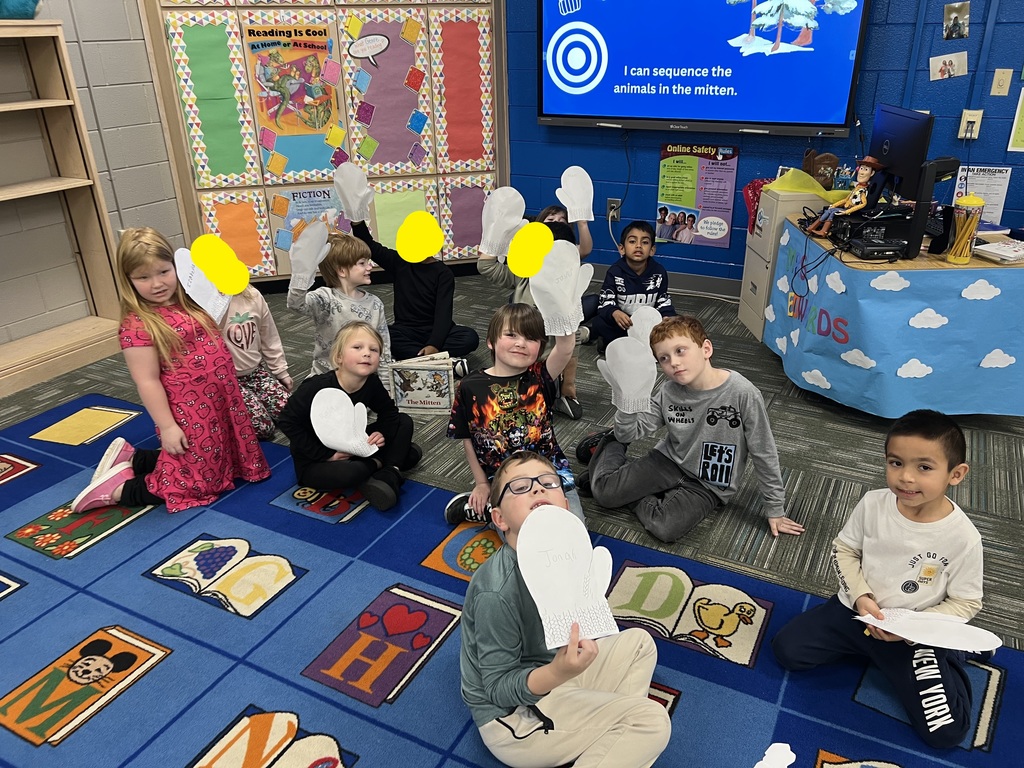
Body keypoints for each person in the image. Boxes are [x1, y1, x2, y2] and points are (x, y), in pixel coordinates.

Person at [772, 409, 981, 749]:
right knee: (787, 651)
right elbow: (844, 551)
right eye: (895, 463)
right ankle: (870, 651)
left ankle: (952, 655)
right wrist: (859, 597)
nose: (906, 478)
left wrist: (915, 628)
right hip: (856, 613)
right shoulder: (872, 504)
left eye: (924, 467)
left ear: (955, 474)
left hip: (912, 636)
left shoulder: (963, 538)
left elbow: (967, 601)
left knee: (946, 733)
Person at [459, 451, 672, 768]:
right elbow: (497, 691)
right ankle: (614, 737)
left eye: (549, 482)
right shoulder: (497, 591)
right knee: (652, 721)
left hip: (557, 675)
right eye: (519, 486)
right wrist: (558, 672)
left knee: (641, 643)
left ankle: (605, 739)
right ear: (500, 518)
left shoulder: (565, 555)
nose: (537, 489)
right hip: (514, 717)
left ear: (566, 503)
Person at [71, 228, 269, 514]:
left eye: (164, 272)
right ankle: (118, 490)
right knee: (199, 481)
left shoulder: (187, 301)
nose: (157, 284)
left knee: (215, 452)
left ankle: (137, 459)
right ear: (128, 281)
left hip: (219, 398)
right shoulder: (138, 325)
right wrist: (167, 427)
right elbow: (147, 381)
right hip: (189, 409)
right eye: (143, 277)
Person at [577, 315, 804, 542]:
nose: (673, 362)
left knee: (665, 528)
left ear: (706, 349)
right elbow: (631, 433)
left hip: (709, 485)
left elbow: (764, 451)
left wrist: (775, 509)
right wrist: (626, 405)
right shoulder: (668, 391)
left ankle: (629, 485)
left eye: (680, 351)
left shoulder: (743, 393)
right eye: (664, 358)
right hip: (668, 462)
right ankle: (609, 442)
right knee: (604, 494)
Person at [444, 303, 583, 524]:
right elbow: (468, 438)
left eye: (531, 338)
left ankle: (487, 512)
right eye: (511, 335)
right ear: (491, 341)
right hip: (503, 478)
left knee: (572, 528)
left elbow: (566, 348)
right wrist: (481, 484)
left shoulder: (540, 376)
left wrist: (561, 301)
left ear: (540, 347)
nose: (521, 343)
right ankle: (487, 511)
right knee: (519, 530)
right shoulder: (470, 386)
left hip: (550, 473)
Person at [334, 163, 479, 368]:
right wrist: (356, 221)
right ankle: (437, 362)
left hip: (435, 330)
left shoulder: (443, 273)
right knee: (383, 336)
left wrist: (434, 344)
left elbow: (443, 315)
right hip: (406, 330)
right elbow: (371, 247)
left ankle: (422, 359)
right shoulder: (399, 262)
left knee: (470, 337)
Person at [277, 322, 420, 511]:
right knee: (355, 471)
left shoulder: (371, 382)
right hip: (316, 460)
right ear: (339, 357)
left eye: (374, 349)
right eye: (357, 347)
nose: (367, 353)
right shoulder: (315, 387)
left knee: (404, 421)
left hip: (355, 445)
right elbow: (287, 421)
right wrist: (326, 455)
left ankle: (389, 471)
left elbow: (389, 412)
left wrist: (381, 432)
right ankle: (386, 464)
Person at [478, 219, 589, 420]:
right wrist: (496, 233)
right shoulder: (524, 277)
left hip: (545, 366)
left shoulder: (565, 290)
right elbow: (486, 266)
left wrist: (568, 387)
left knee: (533, 407)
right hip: (515, 357)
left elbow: (571, 345)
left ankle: (556, 395)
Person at [287, 229, 391, 376]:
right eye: (362, 263)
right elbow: (296, 305)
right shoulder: (325, 298)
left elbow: (383, 347)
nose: (370, 267)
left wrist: (386, 385)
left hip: (362, 377)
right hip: (326, 375)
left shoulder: (375, 303)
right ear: (341, 270)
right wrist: (300, 278)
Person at [584, 221, 675, 354]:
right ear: (622, 248)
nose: (638, 246)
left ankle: (630, 343)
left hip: (647, 324)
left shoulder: (659, 272)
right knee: (600, 322)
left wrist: (666, 316)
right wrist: (615, 312)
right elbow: (606, 301)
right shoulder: (615, 272)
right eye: (632, 242)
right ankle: (611, 341)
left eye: (645, 242)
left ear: (652, 250)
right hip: (622, 323)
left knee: (675, 324)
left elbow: (663, 301)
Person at [221, 285, 292, 440]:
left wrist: (280, 371)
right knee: (264, 428)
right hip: (228, 381)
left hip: (255, 373)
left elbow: (269, 336)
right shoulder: (203, 305)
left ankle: (256, 405)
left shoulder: (252, 295)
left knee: (293, 412)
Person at [805, 156, 886, 238]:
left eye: (866, 170)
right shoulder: (856, 188)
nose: (861, 172)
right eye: (861, 168)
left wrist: (847, 211)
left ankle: (823, 231)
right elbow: (846, 199)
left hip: (850, 210)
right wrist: (834, 205)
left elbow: (863, 204)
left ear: (872, 173)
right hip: (846, 207)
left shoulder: (863, 191)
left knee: (832, 212)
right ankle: (812, 227)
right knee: (829, 210)